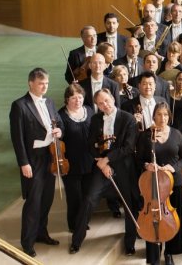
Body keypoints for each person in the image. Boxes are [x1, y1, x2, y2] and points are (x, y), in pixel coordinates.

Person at [69, 89, 138, 255]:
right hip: (101, 167)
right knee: (89, 200)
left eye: (106, 101)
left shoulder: (128, 118)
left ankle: (130, 244)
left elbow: (128, 147)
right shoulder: (95, 119)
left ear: (113, 98)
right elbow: (90, 144)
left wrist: (107, 160)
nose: (104, 105)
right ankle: (76, 241)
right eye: (100, 103)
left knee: (129, 205)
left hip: (122, 167)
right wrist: (101, 162)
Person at [10, 68, 63, 257]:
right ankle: (27, 242)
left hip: (50, 156)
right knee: (33, 201)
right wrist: (23, 163)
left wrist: (59, 131)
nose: (45, 87)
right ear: (30, 83)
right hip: (33, 160)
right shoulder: (19, 106)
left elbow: (58, 122)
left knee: (47, 199)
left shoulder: (49, 101)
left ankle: (42, 233)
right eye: (41, 83)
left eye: (47, 83)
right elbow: (17, 138)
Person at [136, 102, 182, 265]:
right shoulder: (146, 135)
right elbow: (138, 159)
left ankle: (169, 253)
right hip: (152, 185)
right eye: (159, 114)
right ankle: (153, 254)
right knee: (153, 218)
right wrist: (147, 165)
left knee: (172, 219)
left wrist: (173, 168)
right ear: (153, 116)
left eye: (166, 115)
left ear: (169, 117)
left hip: (174, 183)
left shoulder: (177, 134)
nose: (162, 118)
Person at [58, 84, 94, 233]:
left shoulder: (89, 111)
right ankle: (74, 225)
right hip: (71, 163)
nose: (77, 100)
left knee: (87, 195)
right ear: (67, 99)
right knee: (74, 196)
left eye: (80, 97)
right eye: (73, 98)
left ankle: (83, 221)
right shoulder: (60, 115)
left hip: (89, 161)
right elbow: (60, 136)